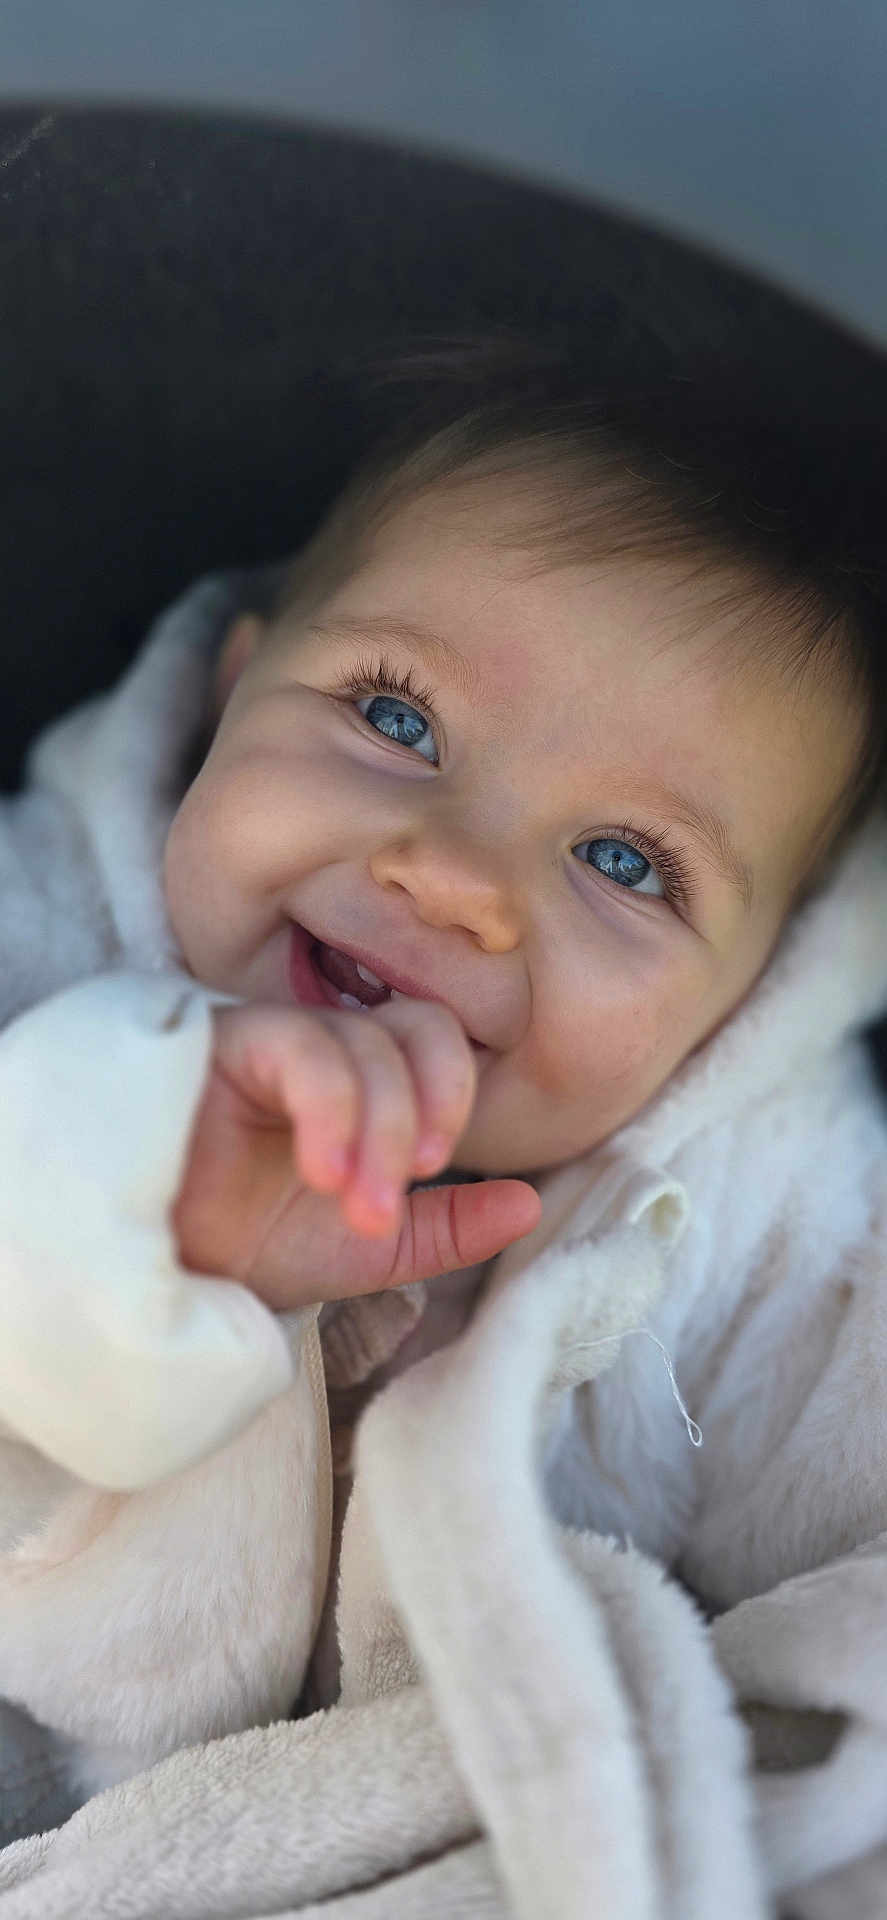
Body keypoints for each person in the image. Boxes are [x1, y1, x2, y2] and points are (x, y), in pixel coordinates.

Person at [0, 343, 885, 1907]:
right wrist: (110, 1202)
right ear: (231, 689)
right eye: (396, 720)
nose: (457, 874)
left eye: (626, 862)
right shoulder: (35, 932)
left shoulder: (765, 1195)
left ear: (753, 987)